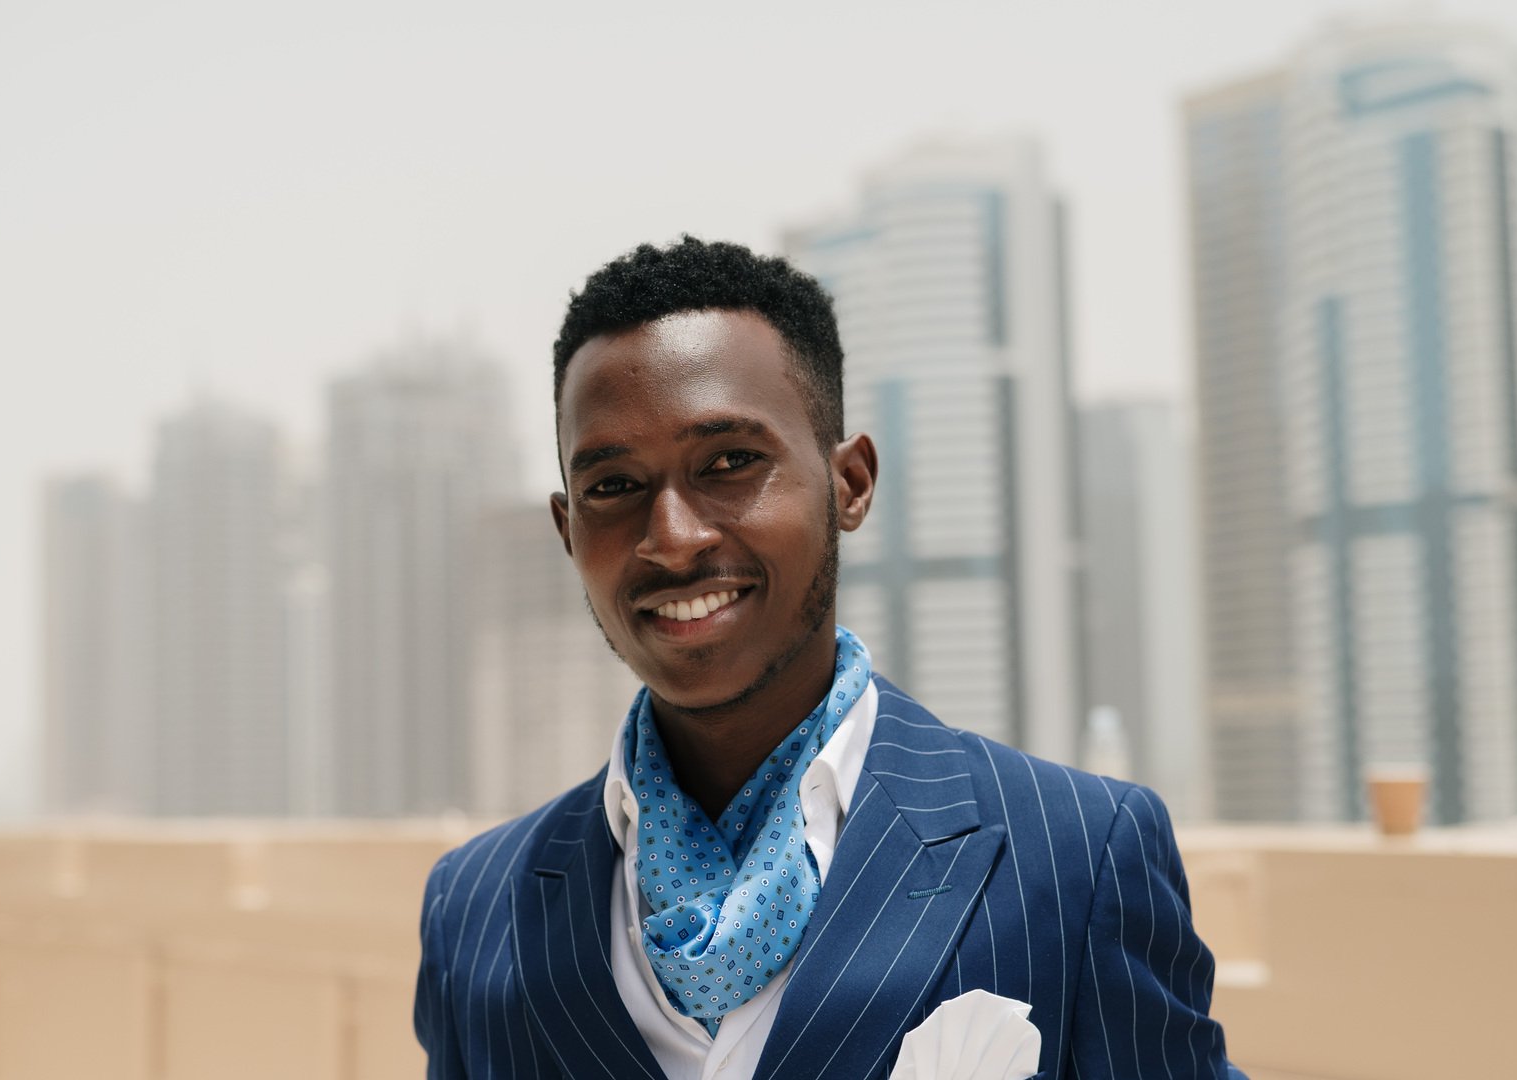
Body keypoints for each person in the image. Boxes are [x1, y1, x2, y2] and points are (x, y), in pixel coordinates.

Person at [414, 237, 1245, 1079]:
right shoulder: (473, 911)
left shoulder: (1076, 857)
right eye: (613, 487)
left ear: (849, 484)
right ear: (567, 529)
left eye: (729, 463)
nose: (672, 537)